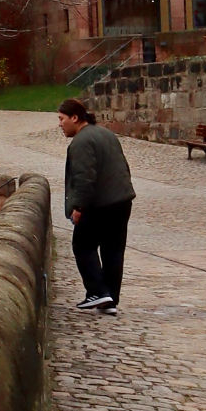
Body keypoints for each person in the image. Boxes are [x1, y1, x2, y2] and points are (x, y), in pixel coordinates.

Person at [58, 97, 136, 315]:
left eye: (62, 119)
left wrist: (78, 207)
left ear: (75, 118)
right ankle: (109, 299)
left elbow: (84, 178)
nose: (60, 124)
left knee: (82, 245)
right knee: (113, 251)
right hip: (122, 201)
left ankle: (97, 292)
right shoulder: (106, 134)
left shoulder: (81, 142)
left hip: (100, 204)